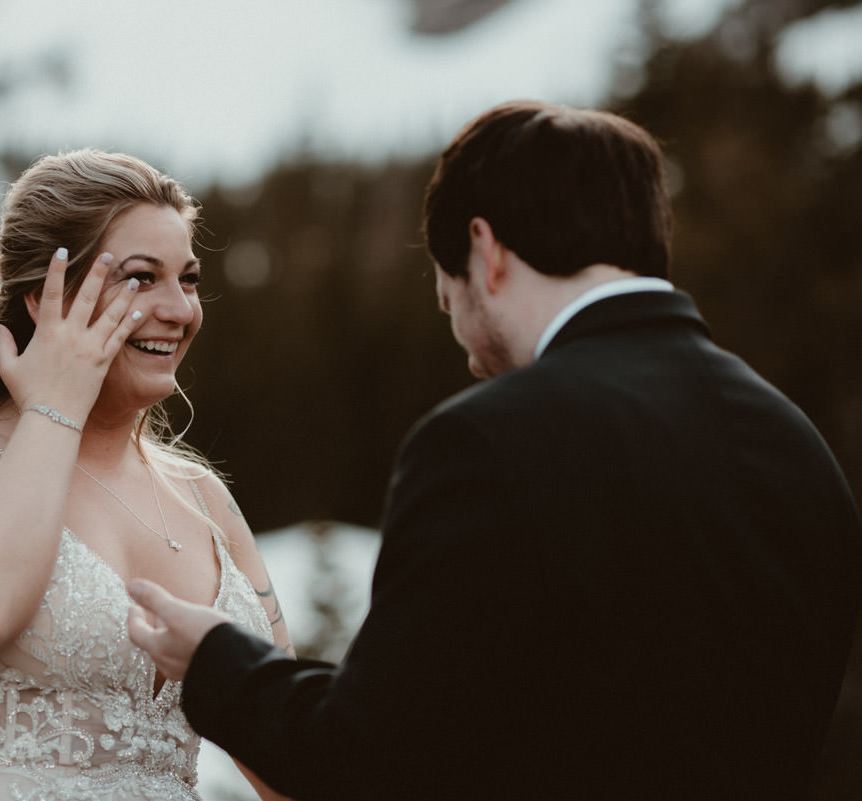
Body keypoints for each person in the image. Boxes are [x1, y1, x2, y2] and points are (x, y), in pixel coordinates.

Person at [127, 100, 862, 800]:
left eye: (449, 295)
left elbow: (373, 759)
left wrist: (217, 661)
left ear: (486, 250)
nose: (468, 350)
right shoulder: (798, 449)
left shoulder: (488, 442)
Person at [0, 149, 293, 801]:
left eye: (189, 279)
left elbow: (294, 747)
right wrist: (55, 407)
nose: (180, 309)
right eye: (142, 278)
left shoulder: (205, 499)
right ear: (44, 296)